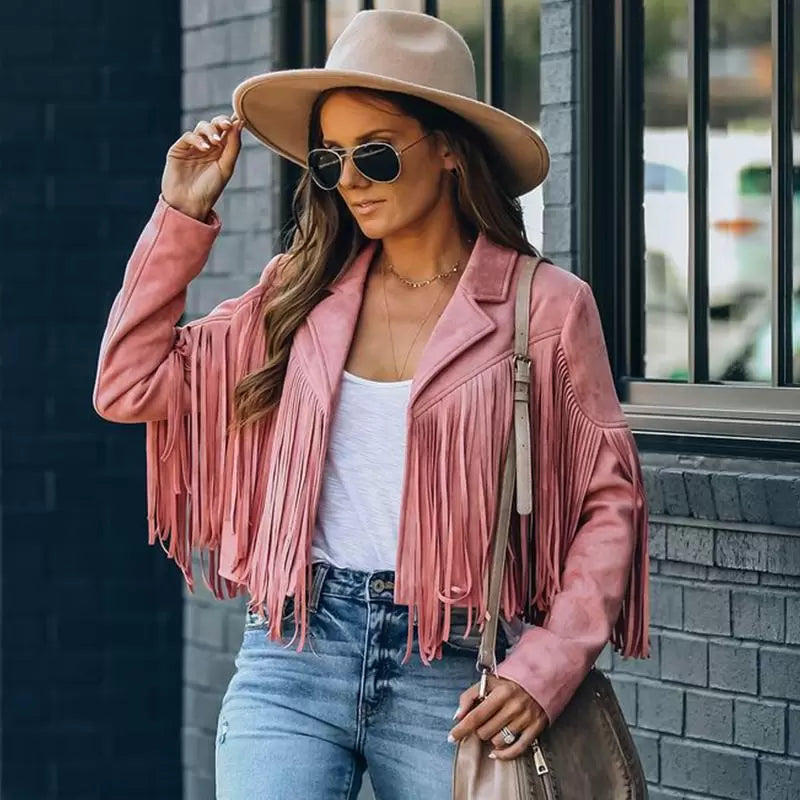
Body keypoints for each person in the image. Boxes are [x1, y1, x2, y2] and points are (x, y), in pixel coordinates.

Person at [93, 9, 649, 800]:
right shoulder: (297, 293)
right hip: (294, 651)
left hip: (455, 672)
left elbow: (608, 500)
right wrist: (182, 216)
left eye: (376, 154)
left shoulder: (546, 308)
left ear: (451, 150)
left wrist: (549, 664)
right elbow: (126, 383)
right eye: (329, 161)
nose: (349, 179)